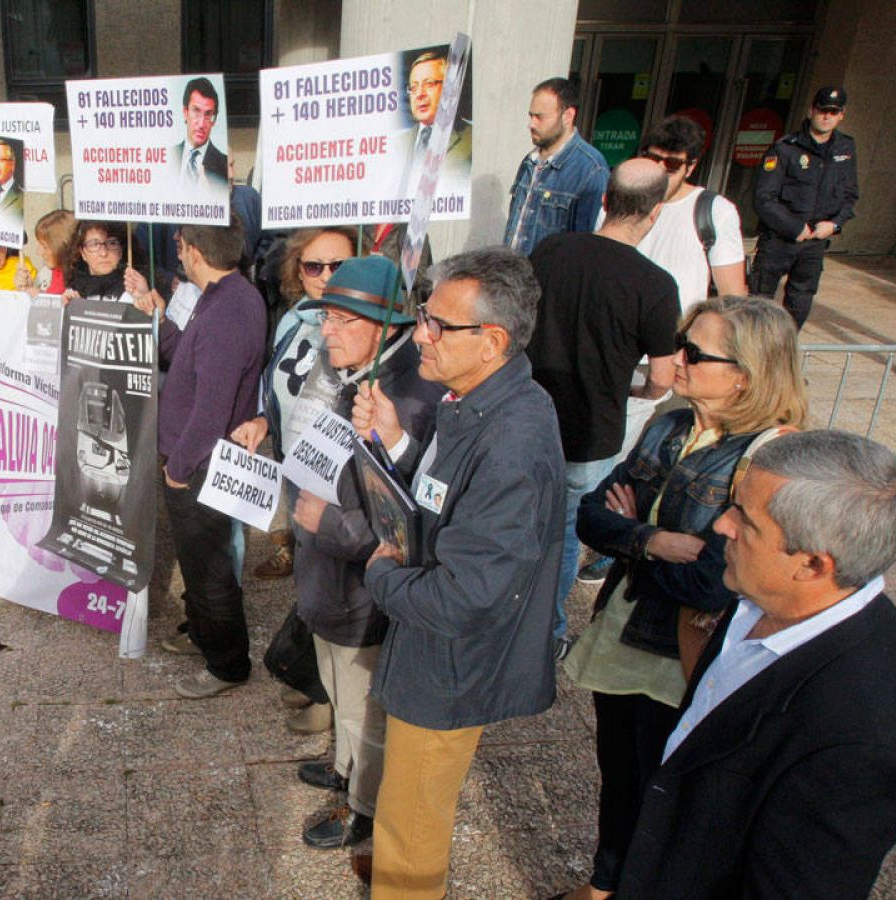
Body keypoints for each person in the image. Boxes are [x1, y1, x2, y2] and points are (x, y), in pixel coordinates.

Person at [558, 295, 807, 900]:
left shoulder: (773, 457)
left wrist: (635, 536)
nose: (675, 358)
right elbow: (592, 519)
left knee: (664, 797)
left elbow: (712, 578)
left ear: (745, 374)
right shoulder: (670, 424)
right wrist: (654, 540)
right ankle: (604, 885)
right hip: (624, 637)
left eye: (694, 352)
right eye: (679, 342)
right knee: (619, 780)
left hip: (683, 657)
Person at [614, 430, 896, 899]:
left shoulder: (862, 742)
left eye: (746, 521)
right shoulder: (759, 597)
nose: (721, 527)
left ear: (813, 565)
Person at [351, 247, 562, 898]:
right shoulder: (479, 399)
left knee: (413, 823)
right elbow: (448, 501)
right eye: (424, 316)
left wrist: (379, 576)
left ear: (492, 340)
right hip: (431, 650)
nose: (421, 335)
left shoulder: (512, 437)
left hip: (449, 663)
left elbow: (465, 595)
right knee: (407, 810)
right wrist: (398, 444)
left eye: (439, 325)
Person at [251, 255, 443, 850]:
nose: (325, 331)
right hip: (329, 581)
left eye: (340, 319)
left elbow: (408, 527)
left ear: (385, 326)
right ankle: (343, 767)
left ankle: (362, 805)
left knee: (365, 710)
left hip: (362, 593)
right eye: (325, 317)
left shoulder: (408, 399)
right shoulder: (362, 370)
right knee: (339, 691)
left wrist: (323, 521)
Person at [527, 157, 680, 655]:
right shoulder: (656, 285)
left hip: (527, 418)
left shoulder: (551, 250)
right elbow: (661, 379)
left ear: (606, 201)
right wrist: (632, 392)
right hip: (591, 432)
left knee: (520, 524)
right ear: (655, 212)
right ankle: (547, 636)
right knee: (566, 537)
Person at [128, 218, 265, 699]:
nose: (178, 252)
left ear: (193, 251)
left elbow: (210, 412)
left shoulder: (227, 312)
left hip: (201, 465)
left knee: (210, 571)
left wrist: (178, 470)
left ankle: (228, 665)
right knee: (200, 563)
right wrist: (159, 319)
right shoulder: (224, 296)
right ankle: (204, 635)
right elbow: (186, 352)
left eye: (180, 245)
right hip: (198, 460)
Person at [238, 227, 357, 592]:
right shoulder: (294, 320)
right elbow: (282, 385)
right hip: (294, 462)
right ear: (297, 270)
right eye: (314, 267)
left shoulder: (366, 328)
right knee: (310, 566)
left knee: (336, 576)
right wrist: (264, 421)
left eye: (339, 265)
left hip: (340, 476)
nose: (326, 276)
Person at [749, 86, 859, 329]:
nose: (827, 116)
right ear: (811, 110)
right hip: (779, 239)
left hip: (815, 243)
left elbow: (850, 195)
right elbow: (763, 198)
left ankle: (781, 353)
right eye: (822, 110)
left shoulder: (845, 148)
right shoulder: (785, 148)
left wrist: (834, 224)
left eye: (833, 112)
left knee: (799, 303)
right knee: (758, 304)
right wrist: (794, 227)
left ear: (841, 115)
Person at [635, 115, 747, 312]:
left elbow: (731, 298)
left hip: (677, 335)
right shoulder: (621, 199)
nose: (659, 171)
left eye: (672, 164)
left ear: (690, 167)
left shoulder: (715, 211)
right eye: (653, 159)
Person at [504, 78, 609, 257]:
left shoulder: (591, 169)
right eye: (531, 116)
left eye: (540, 117)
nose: (531, 124)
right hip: (514, 277)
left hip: (550, 280)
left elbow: (586, 246)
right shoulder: (530, 162)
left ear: (568, 116)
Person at [396, 48, 470, 197]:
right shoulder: (396, 144)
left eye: (429, 84)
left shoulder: (471, 139)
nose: (420, 94)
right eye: (414, 87)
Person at [168, 77, 229, 189]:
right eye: (196, 111)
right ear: (185, 112)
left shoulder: (225, 166)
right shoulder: (168, 157)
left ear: (214, 120)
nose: (201, 124)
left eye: (208, 115)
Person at [62, 221, 133, 302]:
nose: (103, 253)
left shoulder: (133, 288)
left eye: (112, 243)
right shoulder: (74, 290)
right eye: (94, 244)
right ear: (82, 253)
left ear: (121, 250)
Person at [29, 209, 76, 294]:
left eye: (45, 247)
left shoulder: (80, 281)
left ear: (62, 247)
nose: (38, 252)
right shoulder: (58, 271)